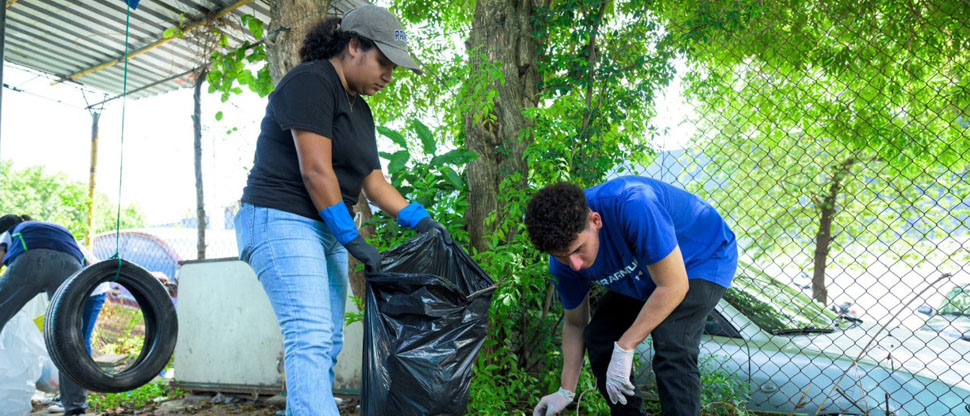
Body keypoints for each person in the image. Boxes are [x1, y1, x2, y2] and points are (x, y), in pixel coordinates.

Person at [233, 5, 450, 415]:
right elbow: (315, 171)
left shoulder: (360, 111)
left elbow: (375, 184)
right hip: (280, 219)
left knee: (327, 339)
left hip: (324, 227)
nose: (389, 75)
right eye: (383, 62)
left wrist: (422, 221)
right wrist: (351, 237)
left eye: (393, 67)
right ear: (354, 46)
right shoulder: (311, 81)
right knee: (311, 336)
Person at [526, 176, 737, 416]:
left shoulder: (634, 205)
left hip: (702, 258)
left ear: (596, 221)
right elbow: (575, 324)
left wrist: (626, 346)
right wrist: (566, 390)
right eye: (562, 256)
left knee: (672, 341)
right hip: (647, 270)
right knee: (601, 336)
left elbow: (674, 286)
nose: (575, 264)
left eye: (578, 249)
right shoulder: (563, 265)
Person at [0, 214, 107, 415]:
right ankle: (75, 407)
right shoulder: (52, 228)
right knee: (70, 341)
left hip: (32, 260)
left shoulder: (9, 232)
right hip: (71, 266)